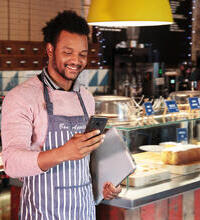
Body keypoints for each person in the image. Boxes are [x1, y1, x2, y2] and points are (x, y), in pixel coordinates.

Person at [1, 11, 121, 219]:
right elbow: (11, 163)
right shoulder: (21, 97)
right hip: (42, 213)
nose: (76, 60)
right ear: (50, 49)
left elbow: (88, 159)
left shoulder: (86, 97)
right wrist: (64, 152)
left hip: (84, 211)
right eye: (68, 52)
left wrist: (106, 184)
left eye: (82, 54)